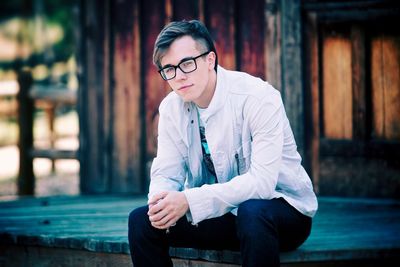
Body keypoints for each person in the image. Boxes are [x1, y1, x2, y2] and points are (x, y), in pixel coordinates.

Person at [128, 19, 318, 267]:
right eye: (169, 69)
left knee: (253, 211)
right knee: (141, 220)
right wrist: (160, 204)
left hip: (280, 214)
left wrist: (189, 200)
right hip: (220, 216)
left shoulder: (258, 98)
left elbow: (262, 184)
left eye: (187, 63)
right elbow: (166, 172)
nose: (179, 76)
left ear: (210, 60)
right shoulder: (171, 108)